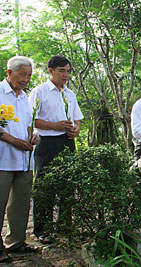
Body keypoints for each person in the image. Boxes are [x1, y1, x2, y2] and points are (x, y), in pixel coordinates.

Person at [29, 55, 84, 244]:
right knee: (45, 186)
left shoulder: (70, 94)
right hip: (47, 142)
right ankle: (42, 230)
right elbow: (32, 119)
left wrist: (76, 129)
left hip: (67, 142)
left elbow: (77, 117)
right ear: (51, 71)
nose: (66, 75)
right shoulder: (40, 92)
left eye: (68, 71)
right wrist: (55, 126)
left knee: (68, 185)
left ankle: (64, 226)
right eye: (62, 71)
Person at [0, 56, 38, 262]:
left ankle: (16, 242)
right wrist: (13, 140)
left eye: (29, 75)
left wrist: (33, 136)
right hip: (3, 158)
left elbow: (28, 124)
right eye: (22, 74)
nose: (26, 79)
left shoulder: (24, 97)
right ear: (9, 73)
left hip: (24, 159)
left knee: (21, 204)